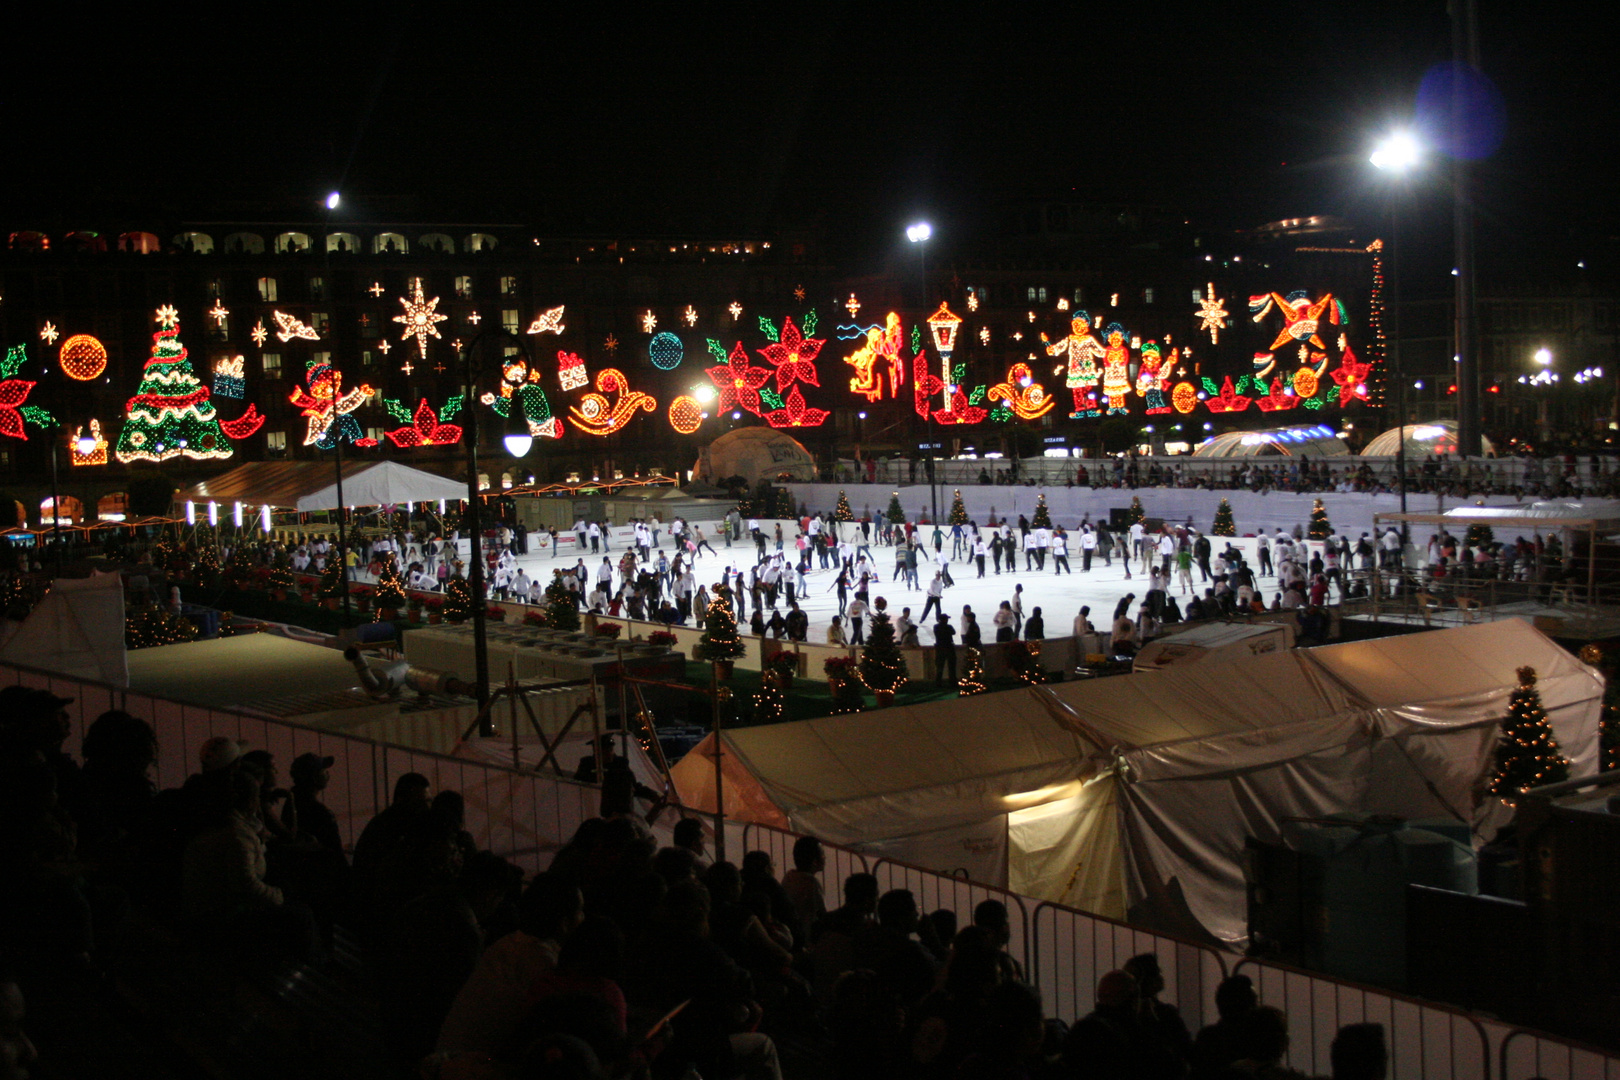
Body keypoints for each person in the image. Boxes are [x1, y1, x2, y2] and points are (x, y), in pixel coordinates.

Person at [934, 615, 957, 686]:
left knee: (940, 667)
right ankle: (952, 682)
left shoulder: (936, 627)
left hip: (940, 648)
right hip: (949, 647)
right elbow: (954, 632)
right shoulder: (949, 627)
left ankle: (938, 683)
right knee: (951, 666)